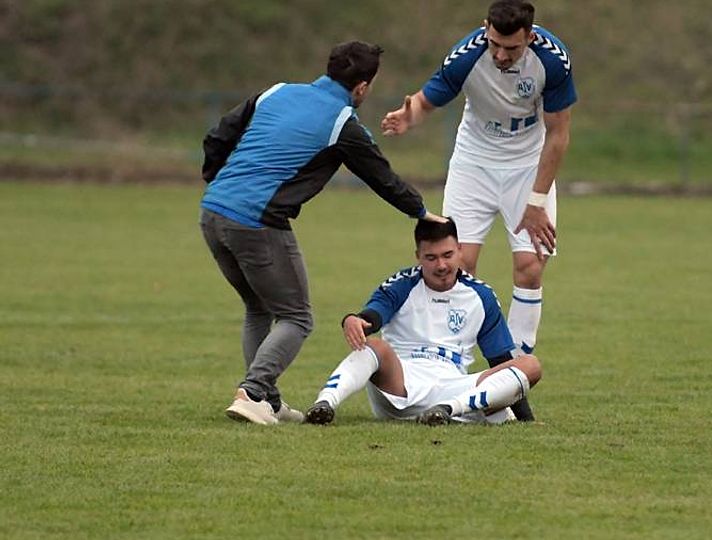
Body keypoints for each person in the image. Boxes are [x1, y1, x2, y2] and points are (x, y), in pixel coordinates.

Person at [200, 41, 443, 425]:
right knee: (297, 317)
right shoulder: (342, 123)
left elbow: (218, 135)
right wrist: (423, 213)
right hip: (256, 223)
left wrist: (219, 182)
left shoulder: (277, 92)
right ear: (362, 87)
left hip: (212, 212)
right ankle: (253, 393)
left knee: (259, 307)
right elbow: (381, 177)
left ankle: (269, 401)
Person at [379, 0, 576, 421]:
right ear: (485, 29)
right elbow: (427, 98)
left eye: (512, 48)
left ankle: (513, 380)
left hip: (527, 167)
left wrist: (537, 202)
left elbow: (558, 134)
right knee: (458, 264)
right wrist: (408, 117)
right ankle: (451, 371)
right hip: (474, 164)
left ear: (530, 36)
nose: (501, 55)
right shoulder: (467, 55)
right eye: (495, 44)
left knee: (530, 266)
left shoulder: (552, 61)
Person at [304, 218, 542, 426]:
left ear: (460, 250)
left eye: (447, 255)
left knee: (529, 365)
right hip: (400, 386)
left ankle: (446, 410)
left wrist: (526, 421)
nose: (441, 265)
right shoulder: (401, 284)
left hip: (455, 388)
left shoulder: (481, 295)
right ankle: (324, 404)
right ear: (418, 256)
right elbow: (373, 315)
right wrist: (354, 320)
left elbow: (500, 360)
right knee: (374, 346)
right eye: (431, 258)